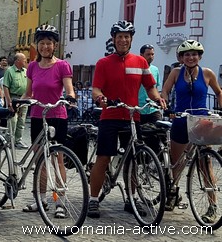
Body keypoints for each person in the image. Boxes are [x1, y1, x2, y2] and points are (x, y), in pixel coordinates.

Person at [88, 20, 166, 219]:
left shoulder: (140, 62)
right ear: (114, 39)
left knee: (134, 159)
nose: (123, 40)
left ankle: (131, 199)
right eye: (119, 37)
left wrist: (157, 98)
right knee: (104, 158)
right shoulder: (104, 63)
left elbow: (150, 86)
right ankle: (93, 200)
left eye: (126, 37)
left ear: (131, 39)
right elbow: (96, 88)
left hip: (133, 116)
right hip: (110, 116)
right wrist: (100, 98)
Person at [161, 40, 222, 218]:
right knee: (177, 163)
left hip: (201, 122)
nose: (190, 57)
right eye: (186, 54)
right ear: (181, 58)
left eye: (194, 54)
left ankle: (212, 205)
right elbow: (165, 90)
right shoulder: (175, 72)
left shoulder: (207, 73)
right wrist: (165, 105)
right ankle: (173, 193)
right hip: (180, 120)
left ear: (199, 56)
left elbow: (218, 91)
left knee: (206, 164)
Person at [21, 25, 75, 217]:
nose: (45, 47)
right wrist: (19, 101)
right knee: (41, 160)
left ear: (54, 45)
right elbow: (29, 93)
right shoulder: (33, 66)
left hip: (57, 116)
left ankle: (59, 201)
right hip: (37, 116)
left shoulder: (62, 65)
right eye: (42, 43)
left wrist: (70, 96)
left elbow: (69, 88)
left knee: (57, 158)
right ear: (38, 45)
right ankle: (42, 200)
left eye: (49, 43)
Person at [3, 53, 29, 149]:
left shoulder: (26, 71)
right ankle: (8, 140)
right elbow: (5, 87)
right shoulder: (9, 71)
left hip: (24, 100)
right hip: (13, 98)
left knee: (21, 121)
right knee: (13, 121)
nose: (25, 61)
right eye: (24, 59)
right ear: (17, 60)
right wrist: (9, 101)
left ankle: (18, 140)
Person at [138, 44, 162, 124]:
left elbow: (156, 88)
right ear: (141, 55)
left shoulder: (155, 69)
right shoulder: (136, 69)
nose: (151, 56)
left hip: (153, 108)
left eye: (152, 54)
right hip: (139, 109)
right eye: (148, 54)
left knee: (159, 131)